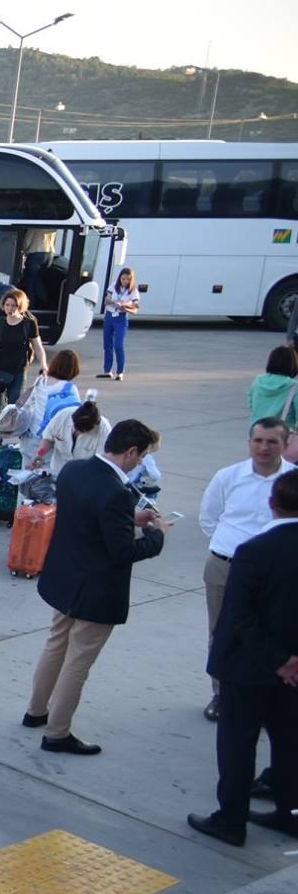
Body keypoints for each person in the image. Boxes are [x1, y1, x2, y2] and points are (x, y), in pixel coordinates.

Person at [23, 420, 169, 755]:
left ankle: (36, 710)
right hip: (96, 589)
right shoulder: (116, 491)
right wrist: (156, 536)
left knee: (56, 644)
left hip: (65, 578)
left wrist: (130, 517)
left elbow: (89, 511)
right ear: (131, 452)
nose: (140, 463)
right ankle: (58, 732)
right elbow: (123, 552)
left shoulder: (75, 471)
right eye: (142, 456)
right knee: (78, 661)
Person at [187, 471, 298, 847]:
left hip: (248, 668)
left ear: (272, 504)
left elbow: (239, 616)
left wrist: (277, 660)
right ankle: (289, 812)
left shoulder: (253, 552)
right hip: (293, 673)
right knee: (289, 741)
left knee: (238, 743)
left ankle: (231, 820)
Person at [196, 418, 295, 722]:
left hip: (279, 573)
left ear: (285, 444)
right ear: (249, 442)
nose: (264, 447)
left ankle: (274, 694)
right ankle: (221, 695)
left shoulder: (292, 480)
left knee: (275, 633)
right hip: (226, 566)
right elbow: (209, 518)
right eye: (258, 441)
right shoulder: (228, 477)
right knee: (222, 632)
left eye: (272, 442)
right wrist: (234, 549)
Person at [0, 287, 44, 416]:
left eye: (14, 305)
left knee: (14, 407)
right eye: (7, 305)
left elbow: (38, 347)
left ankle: (10, 433)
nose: (10, 309)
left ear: (21, 306)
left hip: (18, 372)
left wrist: (44, 365)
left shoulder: (29, 324)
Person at [35, 396, 109, 478]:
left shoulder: (104, 431)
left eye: (82, 431)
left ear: (94, 427)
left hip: (85, 477)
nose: (77, 433)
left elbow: (101, 461)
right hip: (58, 472)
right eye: (75, 429)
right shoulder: (63, 416)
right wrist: (39, 455)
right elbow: (48, 439)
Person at [98, 267, 140, 381]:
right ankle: (107, 370)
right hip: (109, 316)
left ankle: (120, 372)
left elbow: (136, 305)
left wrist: (126, 305)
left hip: (121, 317)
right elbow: (107, 299)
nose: (124, 281)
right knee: (107, 344)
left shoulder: (133, 291)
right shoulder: (113, 286)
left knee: (118, 345)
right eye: (123, 279)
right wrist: (113, 302)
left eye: (127, 279)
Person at [246, 346, 298, 429]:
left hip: (258, 431)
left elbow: (251, 404)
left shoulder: (257, 381)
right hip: (282, 436)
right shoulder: (294, 386)